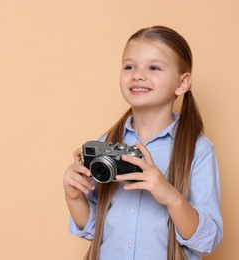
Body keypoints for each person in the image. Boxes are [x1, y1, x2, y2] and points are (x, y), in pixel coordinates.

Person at [63, 25, 223, 260]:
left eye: (154, 67)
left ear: (182, 83)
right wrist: (74, 197)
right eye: (129, 66)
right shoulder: (105, 143)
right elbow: (94, 228)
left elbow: (207, 240)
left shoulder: (198, 150)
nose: (137, 74)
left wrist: (169, 195)